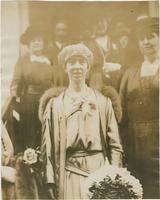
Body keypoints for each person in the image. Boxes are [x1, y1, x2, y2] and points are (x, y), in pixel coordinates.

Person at [39, 43, 123, 199]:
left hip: (99, 172)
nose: (77, 67)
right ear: (65, 67)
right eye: (72, 62)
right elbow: (48, 148)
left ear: (88, 66)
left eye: (82, 62)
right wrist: (50, 180)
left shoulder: (103, 102)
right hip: (68, 172)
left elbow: (115, 146)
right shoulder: (54, 105)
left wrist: (114, 176)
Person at [119, 17, 159, 199]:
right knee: (138, 187)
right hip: (135, 142)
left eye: (150, 36)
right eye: (142, 38)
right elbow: (122, 112)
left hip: (158, 139)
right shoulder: (130, 73)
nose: (145, 42)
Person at [10, 25, 54, 152]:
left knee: (46, 131)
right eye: (33, 40)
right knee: (30, 133)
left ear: (43, 43)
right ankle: (31, 163)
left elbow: (55, 80)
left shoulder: (49, 60)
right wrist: (15, 97)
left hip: (47, 100)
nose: (36, 42)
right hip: (29, 102)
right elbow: (16, 82)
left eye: (39, 40)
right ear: (28, 44)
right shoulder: (23, 60)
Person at [46, 19, 70, 87]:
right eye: (58, 30)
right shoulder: (47, 50)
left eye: (64, 30)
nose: (61, 33)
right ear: (54, 32)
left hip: (68, 84)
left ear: (67, 32)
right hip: (51, 85)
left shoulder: (72, 49)